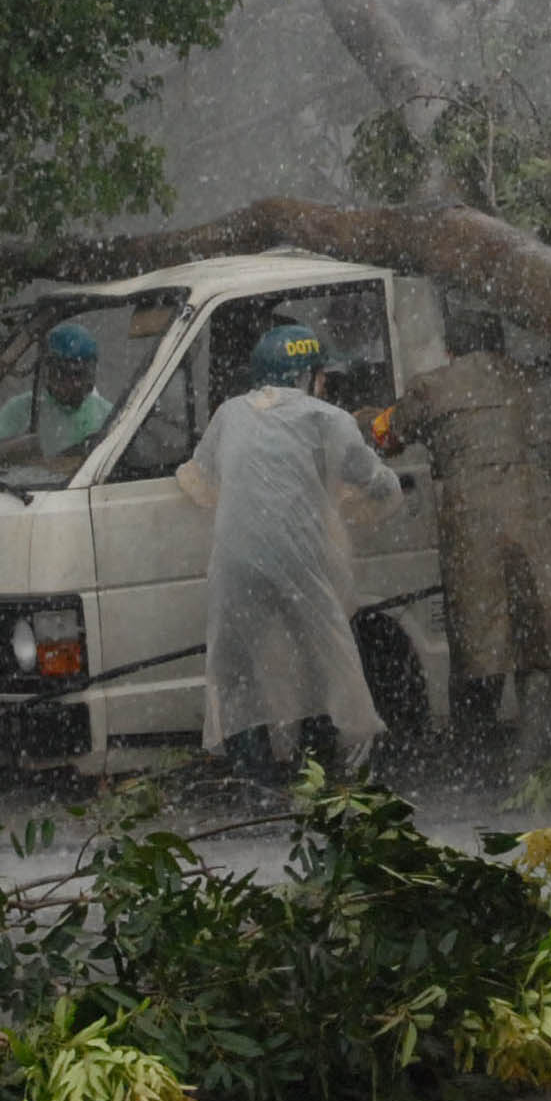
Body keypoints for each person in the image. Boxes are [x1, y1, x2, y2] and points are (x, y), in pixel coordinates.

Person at [176, 323, 403, 781]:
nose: (323, 385)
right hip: (301, 560)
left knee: (238, 669)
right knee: (322, 660)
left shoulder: (229, 414)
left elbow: (199, 481)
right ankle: (318, 770)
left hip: (235, 563)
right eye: (319, 376)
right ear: (302, 375)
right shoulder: (328, 418)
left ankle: (253, 778)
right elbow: (378, 484)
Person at [398, 310, 551, 764]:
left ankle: (473, 771)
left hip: (472, 543)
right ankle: (530, 770)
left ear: (451, 348)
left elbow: (388, 433)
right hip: (535, 533)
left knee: (479, 656)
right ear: (500, 345)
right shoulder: (535, 384)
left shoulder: (433, 387)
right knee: (541, 650)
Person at [0, 322, 118, 476]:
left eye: (83, 374)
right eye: (67, 374)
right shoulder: (21, 410)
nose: (76, 384)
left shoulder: (109, 415)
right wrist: (17, 448)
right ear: (49, 372)